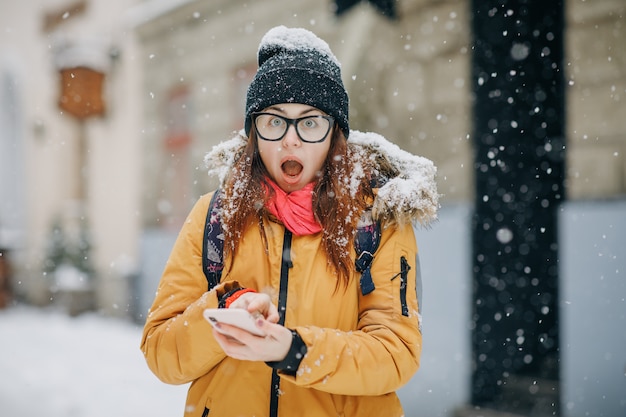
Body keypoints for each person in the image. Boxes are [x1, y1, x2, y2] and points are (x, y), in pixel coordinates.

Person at [141, 25, 438, 417]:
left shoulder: (377, 221)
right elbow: (162, 353)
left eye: (310, 122)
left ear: (335, 136)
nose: (290, 141)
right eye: (274, 121)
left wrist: (293, 351)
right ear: (254, 133)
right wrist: (224, 308)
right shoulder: (214, 215)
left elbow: (396, 355)